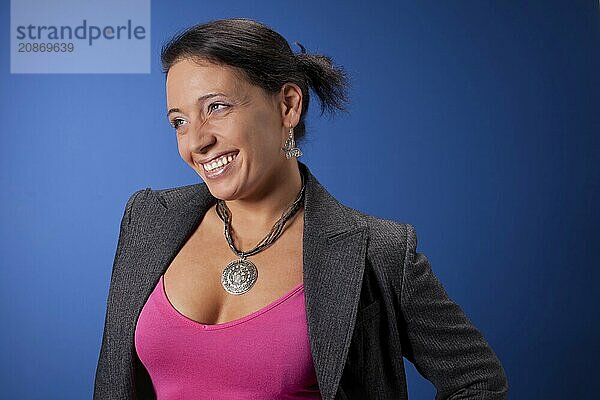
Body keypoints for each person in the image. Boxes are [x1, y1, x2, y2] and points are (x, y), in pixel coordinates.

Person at [93, 18, 508, 400]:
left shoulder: (376, 251)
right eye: (179, 121)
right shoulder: (149, 219)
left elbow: (478, 383)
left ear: (288, 105)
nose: (196, 141)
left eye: (216, 107)